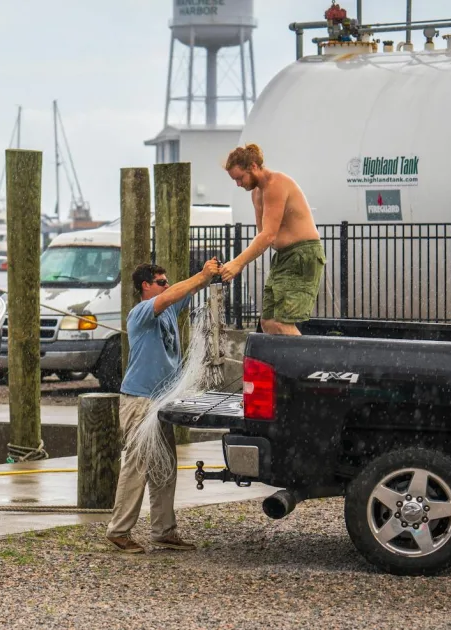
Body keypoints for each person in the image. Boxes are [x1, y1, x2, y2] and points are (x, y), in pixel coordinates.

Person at [106, 258, 220, 553]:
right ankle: (119, 531)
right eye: (161, 282)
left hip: (161, 402)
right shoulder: (141, 312)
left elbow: (185, 291)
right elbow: (173, 294)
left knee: (165, 466)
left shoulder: (168, 309)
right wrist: (201, 275)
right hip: (140, 401)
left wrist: (214, 274)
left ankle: (164, 531)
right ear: (145, 286)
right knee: (137, 465)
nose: (167, 286)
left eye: (167, 282)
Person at [219, 143, 325, 335]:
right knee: (268, 322)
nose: (238, 184)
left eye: (240, 178)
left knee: (281, 323)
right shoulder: (256, 193)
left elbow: (268, 235)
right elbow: (262, 236)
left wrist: (238, 263)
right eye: (235, 180)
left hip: (303, 254)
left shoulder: (276, 184)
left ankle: (303, 356)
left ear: (253, 166)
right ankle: (284, 356)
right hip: (284, 257)